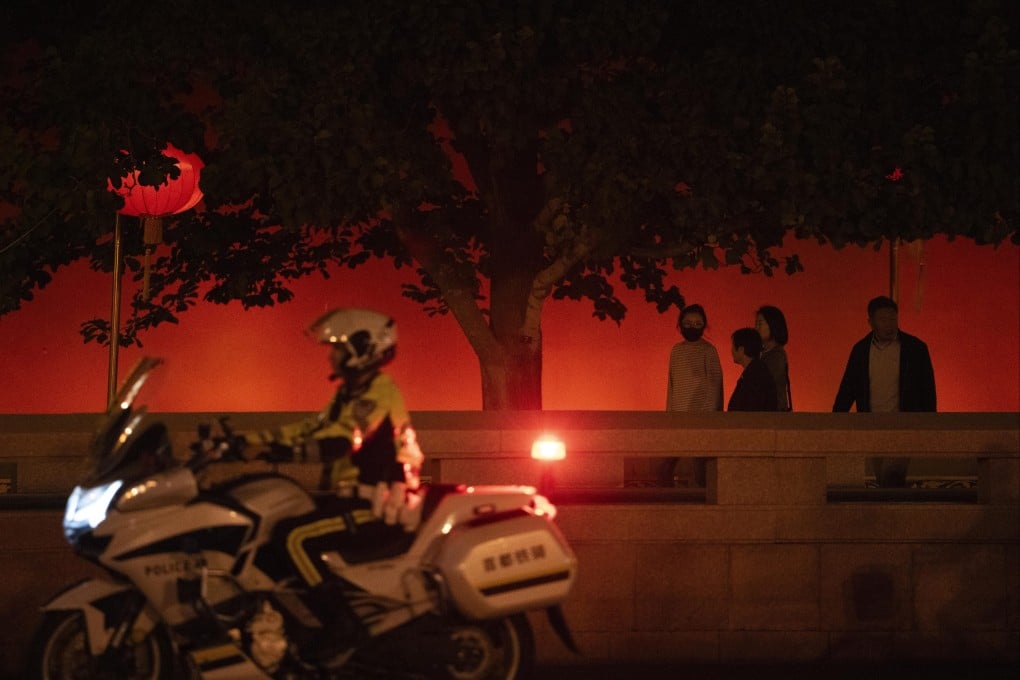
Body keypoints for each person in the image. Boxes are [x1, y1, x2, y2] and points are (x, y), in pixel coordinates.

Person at [245, 307, 424, 527]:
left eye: (339, 348)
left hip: (377, 508)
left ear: (362, 349)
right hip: (351, 498)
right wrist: (248, 441)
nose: (332, 355)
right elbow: (312, 427)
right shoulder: (349, 392)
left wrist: (280, 451)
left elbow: (342, 438)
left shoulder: (380, 391)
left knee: (289, 537)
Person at [833, 295, 936, 487]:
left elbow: (927, 388)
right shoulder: (861, 350)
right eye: (883, 319)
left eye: (893, 319)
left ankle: (891, 510)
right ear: (870, 322)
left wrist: (929, 420)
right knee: (881, 474)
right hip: (872, 422)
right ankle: (890, 509)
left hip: (904, 421)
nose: (889, 325)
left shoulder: (915, 349)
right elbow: (848, 386)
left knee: (893, 475)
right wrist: (837, 418)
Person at [666, 304, 723, 486]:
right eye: (688, 323)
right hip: (678, 418)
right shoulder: (676, 351)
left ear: (704, 325)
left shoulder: (709, 350)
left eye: (698, 323)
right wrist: (669, 415)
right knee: (667, 463)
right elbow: (671, 386)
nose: (692, 327)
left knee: (701, 466)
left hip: (701, 418)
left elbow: (715, 386)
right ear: (680, 325)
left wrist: (708, 417)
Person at [727, 328, 779, 411]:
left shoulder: (755, 377)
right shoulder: (756, 372)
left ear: (741, 349)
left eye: (733, 347)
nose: (731, 351)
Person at [755, 305, 792, 411]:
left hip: (772, 416)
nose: (756, 328)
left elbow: (764, 386)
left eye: (760, 323)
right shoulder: (763, 354)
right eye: (756, 323)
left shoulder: (777, 356)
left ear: (773, 325)